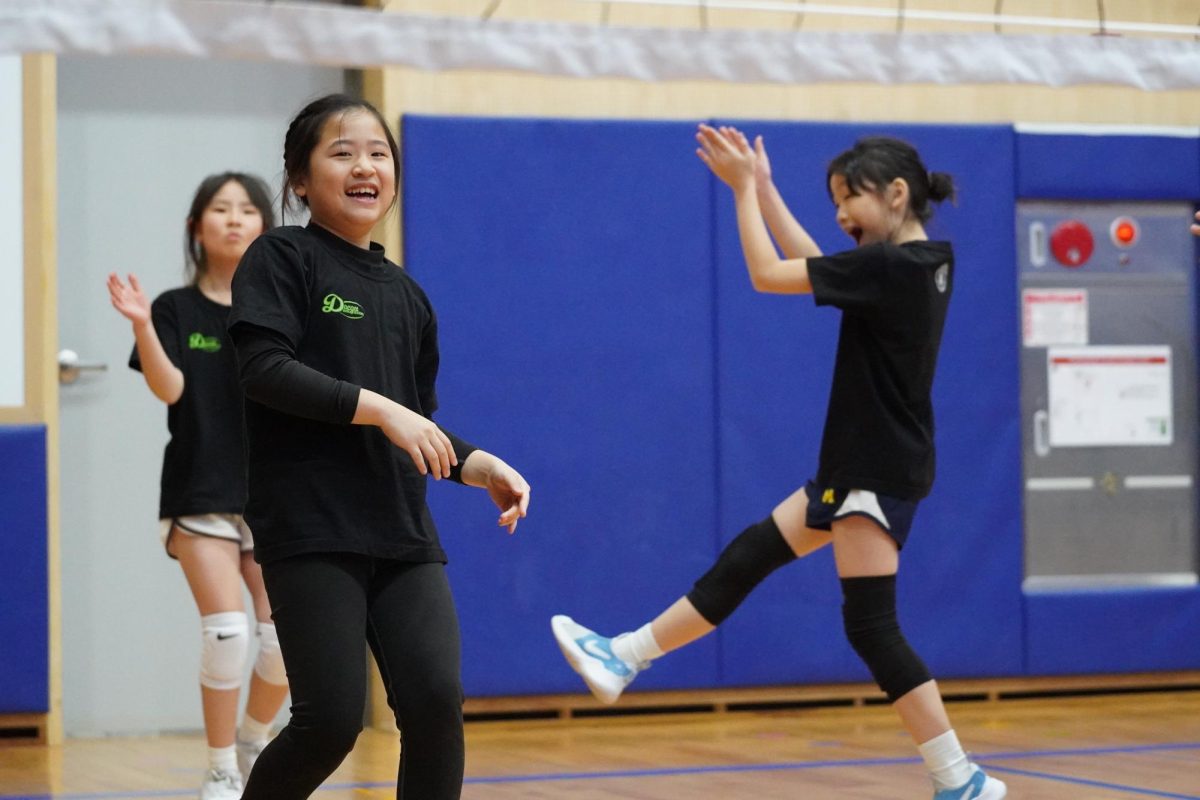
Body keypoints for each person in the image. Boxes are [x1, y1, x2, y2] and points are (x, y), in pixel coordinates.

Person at [552, 126, 1006, 800]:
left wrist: (740, 194)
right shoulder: (920, 261)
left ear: (897, 192)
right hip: (866, 461)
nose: (840, 215)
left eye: (849, 199)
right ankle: (624, 655)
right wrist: (764, 187)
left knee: (872, 626)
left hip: (872, 469)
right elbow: (819, 264)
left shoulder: (888, 269)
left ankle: (958, 776)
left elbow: (771, 274)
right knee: (753, 554)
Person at [227, 93, 531, 800]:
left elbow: (414, 421)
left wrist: (477, 463)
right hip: (309, 525)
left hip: (400, 532)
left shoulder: (408, 296)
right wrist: (383, 412)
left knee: (433, 704)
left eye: (378, 153)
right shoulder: (282, 256)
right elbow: (263, 370)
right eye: (342, 152)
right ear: (299, 180)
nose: (365, 166)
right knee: (329, 722)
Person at [107, 172, 290, 800]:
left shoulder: (282, 309)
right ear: (197, 227)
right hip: (200, 491)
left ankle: (252, 742)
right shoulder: (173, 308)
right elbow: (171, 390)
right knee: (228, 633)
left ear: (265, 226)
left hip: (273, 498)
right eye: (220, 209)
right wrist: (140, 326)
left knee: (286, 641)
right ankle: (218, 768)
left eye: (247, 210)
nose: (234, 219)